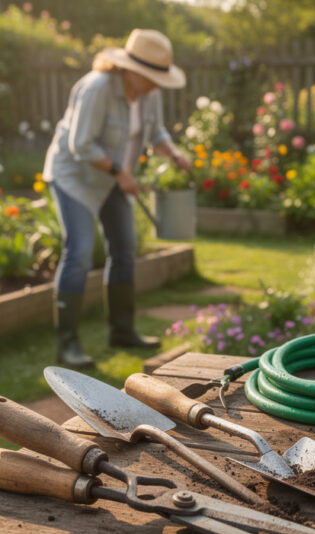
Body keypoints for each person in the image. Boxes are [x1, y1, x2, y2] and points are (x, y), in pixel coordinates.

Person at [43, 29, 191, 368]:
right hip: (76, 177)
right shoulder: (97, 88)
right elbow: (80, 145)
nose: (156, 84)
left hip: (114, 179)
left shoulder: (149, 93)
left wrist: (172, 152)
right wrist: (120, 172)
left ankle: (122, 331)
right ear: (131, 70)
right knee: (79, 252)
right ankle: (67, 344)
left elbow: (156, 132)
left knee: (125, 249)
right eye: (152, 76)